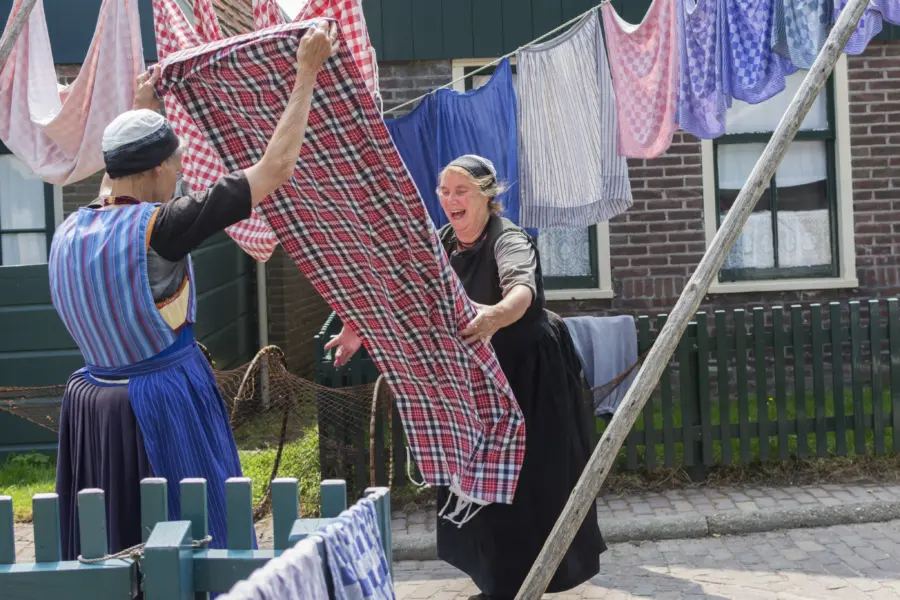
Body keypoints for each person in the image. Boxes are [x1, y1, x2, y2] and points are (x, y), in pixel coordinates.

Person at [48, 21, 339, 561]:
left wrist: (142, 107)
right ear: (159, 167)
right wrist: (307, 72)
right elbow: (275, 169)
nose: (179, 175)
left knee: (108, 537)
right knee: (192, 539)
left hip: (92, 409)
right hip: (162, 403)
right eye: (176, 165)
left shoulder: (71, 231)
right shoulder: (166, 226)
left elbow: (116, 180)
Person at [325, 154, 606, 598]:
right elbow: (394, 281)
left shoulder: (509, 240)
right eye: (445, 191)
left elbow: (521, 290)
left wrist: (495, 315)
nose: (450, 200)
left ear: (487, 197)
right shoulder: (440, 243)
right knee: (477, 478)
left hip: (528, 377)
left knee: (526, 483)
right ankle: (498, 584)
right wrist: (355, 328)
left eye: (462, 191)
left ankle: (521, 585)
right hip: (474, 381)